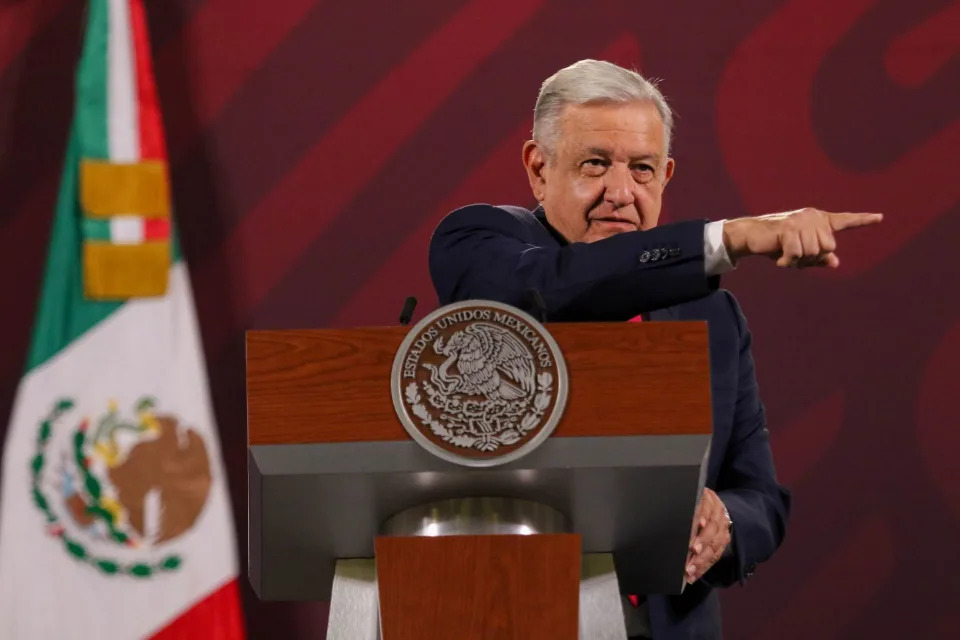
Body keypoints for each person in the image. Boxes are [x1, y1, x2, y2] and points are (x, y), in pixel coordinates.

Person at [428, 59, 882, 639]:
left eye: (642, 170)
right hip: (513, 612)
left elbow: (762, 499)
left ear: (666, 176)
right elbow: (553, 284)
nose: (621, 193)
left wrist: (725, 519)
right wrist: (731, 237)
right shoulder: (481, 244)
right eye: (595, 164)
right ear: (538, 169)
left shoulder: (713, 317)